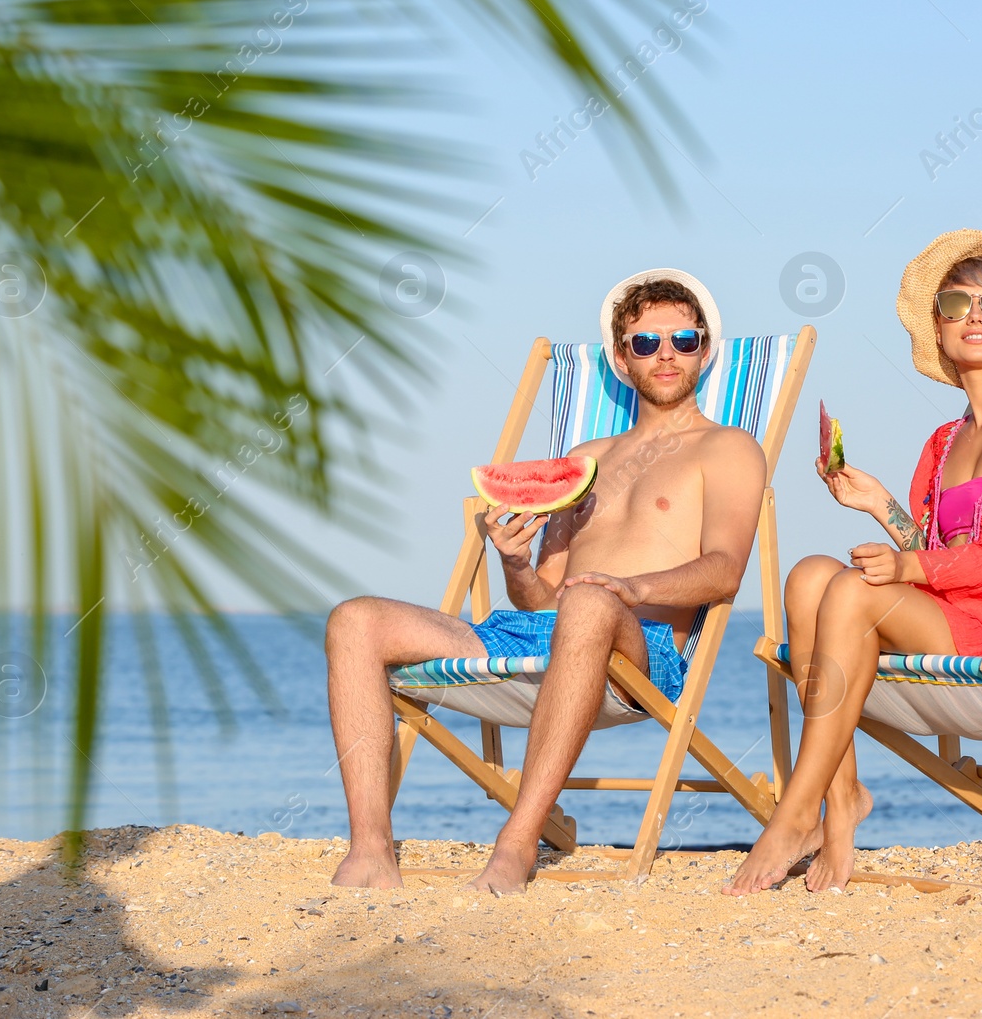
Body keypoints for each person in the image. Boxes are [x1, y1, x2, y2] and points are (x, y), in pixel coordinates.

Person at [326, 268, 766, 894]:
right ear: (622, 357)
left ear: (704, 350)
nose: (665, 354)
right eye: (646, 343)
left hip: (642, 652)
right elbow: (542, 596)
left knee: (589, 600)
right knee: (355, 620)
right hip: (538, 634)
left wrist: (631, 589)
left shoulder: (728, 448)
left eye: (683, 340)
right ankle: (371, 849)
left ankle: (518, 841)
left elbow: (724, 571)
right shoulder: (584, 459)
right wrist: (514, 563)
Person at [725, 229, 982, 896]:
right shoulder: (944, 439)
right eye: (956, 305)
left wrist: (902, 571)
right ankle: (842, 804)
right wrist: (879, 505)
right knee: (810, 575)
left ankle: (797, 810)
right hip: (953, 623)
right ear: (939, 330)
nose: (975, 316)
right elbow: (934, 552)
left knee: (852, 594)